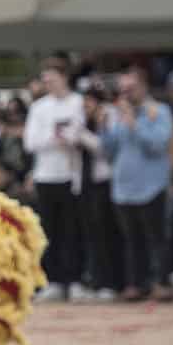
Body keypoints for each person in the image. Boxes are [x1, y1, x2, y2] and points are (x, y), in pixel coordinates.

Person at [103, 69, 173, 302]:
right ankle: (136, 283)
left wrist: (135, 124)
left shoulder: (159, 112)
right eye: (122, 90)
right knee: (132, 240)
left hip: (151, 186)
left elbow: (158, 145)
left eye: (130, 89)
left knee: (157, 238)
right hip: (124, 188)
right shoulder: (119, 114)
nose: (125, 94)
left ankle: (162, 283)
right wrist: (104, 128)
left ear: (143, 87)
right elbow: (109, 151)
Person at [24, 58, 85, 301]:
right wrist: (53, 138)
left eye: (53, 78)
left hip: (70, 175)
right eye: (46, 79)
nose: (49, 83)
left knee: (72, 230)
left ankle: (74, 279)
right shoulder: (39, 107)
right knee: (49, 231)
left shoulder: (77, 102)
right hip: (45, 175)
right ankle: (53, 280)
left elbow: (78, 133)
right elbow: (30, 142)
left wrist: (68, 138)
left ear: (64, 77)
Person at [76, 86, 121, 301]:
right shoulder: (84, 120)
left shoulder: (109, 116)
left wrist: (82, 135)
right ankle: (96, 280)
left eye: (89, 102)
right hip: (88, 183)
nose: (86, 107)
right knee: (92, 234)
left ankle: (111, 282)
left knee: (107, 233)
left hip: (107, 182)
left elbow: (105, 148)